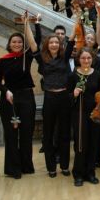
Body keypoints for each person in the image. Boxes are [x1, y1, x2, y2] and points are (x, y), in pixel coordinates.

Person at [25, 19, 75, 178]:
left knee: (65, 133)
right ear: (47, 45)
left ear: (60, 45)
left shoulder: (65, 57)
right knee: (48, 133)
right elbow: (32, 43)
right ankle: (51, 167)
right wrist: (26, 24)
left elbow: (72, 38)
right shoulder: (42, 59)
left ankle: (65, 166)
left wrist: (79, 18)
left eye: (56, 42)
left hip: (64, 98)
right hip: (50, 98)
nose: (54, 44)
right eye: (51, 42)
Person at [0, 30, 37, 179]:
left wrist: (30, 25)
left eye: (20, 42)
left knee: (27, 133)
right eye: (14, 42)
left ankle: (26, 165)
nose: (17, 44)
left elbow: (35, 42)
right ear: (9, 44)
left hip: (27, 97)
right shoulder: (2, 61)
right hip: (9, 99)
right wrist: (6, 91)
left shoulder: (27, 57)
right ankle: (13, 168)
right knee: (11, 135)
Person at [68, 48, 100, 186]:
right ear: (79, 59)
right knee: (80, 144)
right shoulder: (73, 76)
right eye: (83, 58)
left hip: (95, 113)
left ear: (93, 59)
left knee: (93, 143)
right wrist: (73, 93)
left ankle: (90, 173)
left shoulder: (97, 75)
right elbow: (66, 98)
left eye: (89, 58)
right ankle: (78, 174)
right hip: (79, 113)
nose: (86, 61)